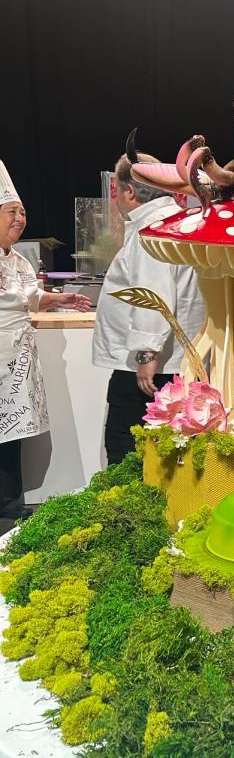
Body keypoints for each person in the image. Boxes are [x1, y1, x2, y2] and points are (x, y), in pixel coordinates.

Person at [93, 150, 204, 464]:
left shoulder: (151, 229)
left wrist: (146, 354)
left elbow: (152, 294)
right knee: (168, 454)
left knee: (126, 451)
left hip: (149, 369)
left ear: (129, 191)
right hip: (175, 362)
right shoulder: (178, 222)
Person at [0, 161, 91, 519]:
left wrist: (62, 298)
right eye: (11, 212)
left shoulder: (20, 262)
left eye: (22, 212)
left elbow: (31, 297)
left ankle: (9, 504)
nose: (19, 219)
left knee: (12, 433)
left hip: (18, 361)